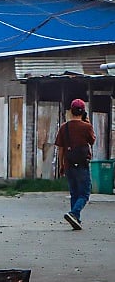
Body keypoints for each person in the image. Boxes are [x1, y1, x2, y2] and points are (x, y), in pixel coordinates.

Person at [54, 98, 94, 230]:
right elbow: (92, 141)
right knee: (85, 193)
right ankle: (74, 213)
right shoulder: (86, 127)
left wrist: (61, 166)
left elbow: (60, 149)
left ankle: (75, 219)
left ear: (71, 111)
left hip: (69, 164)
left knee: (74, 193)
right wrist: (87, 123)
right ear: (83, 112)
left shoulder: (64, 128)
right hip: (82, 164)